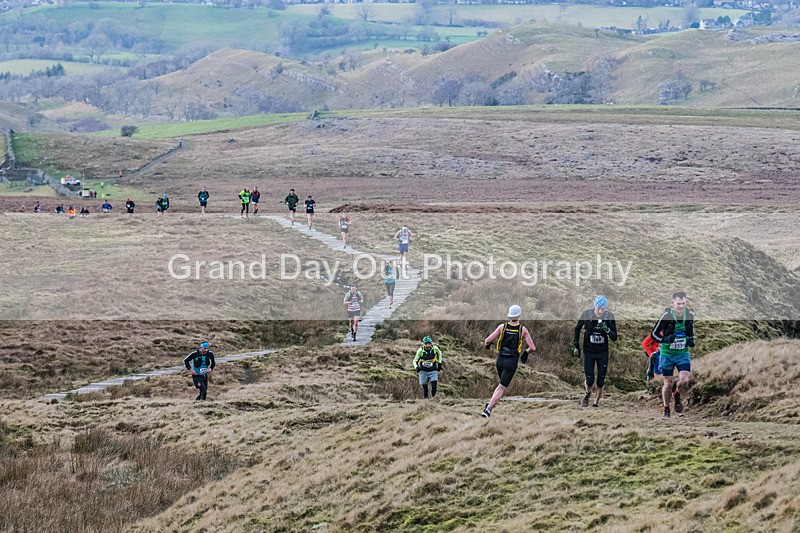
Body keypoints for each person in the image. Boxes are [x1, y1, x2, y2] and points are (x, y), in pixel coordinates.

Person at [481, 304, 537, 417]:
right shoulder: (523, 330)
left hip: (500, 361)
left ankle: (491, 402)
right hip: (511, 362)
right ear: (519, 315)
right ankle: (488, 410)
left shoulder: (502, 327)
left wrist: (488, 345)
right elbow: (533, 348)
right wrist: (526, 352)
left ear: (509, 315)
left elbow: (487, 340)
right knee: (501, 387)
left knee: (500, 386)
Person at [651, 292, 695, 419]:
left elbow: (691, 330)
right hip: (667, 354)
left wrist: (691, 339)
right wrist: (665, 340)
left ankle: (676, 394)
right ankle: (666, 408)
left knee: (684, 381)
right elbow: (653, 334)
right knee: (668, 383)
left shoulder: (689, 315)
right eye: (678, 304)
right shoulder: (666, 316)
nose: (681, 306)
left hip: (682, 353)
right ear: (673, 304)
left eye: (683, 303)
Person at [573, 295, 618, 408]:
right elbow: (577, 328)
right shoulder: (587, 314)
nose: (600, 311)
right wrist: (576, 345)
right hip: (589, 351)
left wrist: (607, 329)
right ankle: (587, 393)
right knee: (590, 380)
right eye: (598, 308)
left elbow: (614, 337)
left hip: (602, 352)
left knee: (600, 381)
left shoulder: (609, 317)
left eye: (602, 309)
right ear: (594, 306)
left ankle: (595, 404)